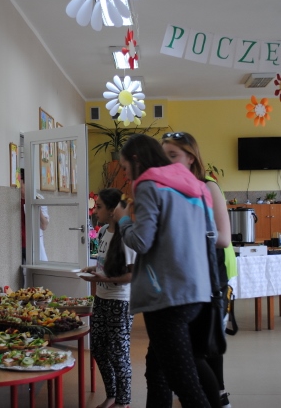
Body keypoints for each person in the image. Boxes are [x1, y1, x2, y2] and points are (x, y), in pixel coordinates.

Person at [113, 133, 216, 408]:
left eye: (125, 167)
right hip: (196, 291)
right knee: (159, 371)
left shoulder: (149, 184)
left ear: (136, 160)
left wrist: (123, 221)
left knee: (185, 385)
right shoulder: (198, 187)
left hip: (166, 295)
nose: (126, 175)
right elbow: (213, 235)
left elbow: (141, 242)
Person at [162, 132, 237, 408]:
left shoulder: (208, 186)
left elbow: (223, 238)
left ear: (191, 158)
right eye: (164, 156)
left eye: (173, 155)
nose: (167, 162)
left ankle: (219, 397)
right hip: (181, 279)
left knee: (203, 346)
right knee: (188, 349)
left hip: (209, 278)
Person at [79, 188, 135, 408]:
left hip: (120, 302)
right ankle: (112, 395)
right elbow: (106, 264)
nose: (95, 211)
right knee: (99, 350)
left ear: (112, 210)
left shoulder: (127, 237)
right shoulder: (103, 231)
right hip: (101, 299)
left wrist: (106, 278)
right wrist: (93, 269)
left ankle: (123, 401)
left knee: (118, 354)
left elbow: (133, 275)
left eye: (99, 207)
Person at [20, 169, 49, 263]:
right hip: (18, 245)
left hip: (32, 244)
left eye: (20, 182)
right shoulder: (15, 199)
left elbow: (44, 225)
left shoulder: (38, 198)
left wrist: (37, 207)